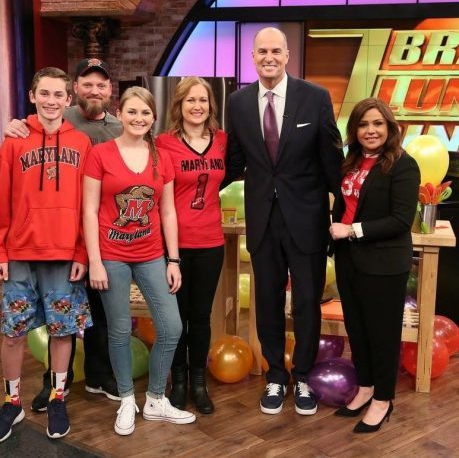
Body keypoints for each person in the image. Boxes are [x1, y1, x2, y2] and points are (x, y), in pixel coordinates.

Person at [222, 27, 343, 416]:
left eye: (276, 51)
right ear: (253, 57)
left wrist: (341, 215)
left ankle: (303, 376)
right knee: (267, 302)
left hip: (306, 220)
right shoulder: (238, 103)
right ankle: (276, 375)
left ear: (288, 55)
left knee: (307, 302)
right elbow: (233, 163)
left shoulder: (316, 98)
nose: (269, 57)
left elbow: (332, 164)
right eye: (262, 52)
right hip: (262, 221)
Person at [4, 58, 122, 411]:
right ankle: (56, 385)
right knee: (59, 320)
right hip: (48, 241)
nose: (94, 90)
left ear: (109, 91)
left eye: (101, 85)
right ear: (76, 89)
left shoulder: (119, 126)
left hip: (99, 237)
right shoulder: (49, 122)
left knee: (99, 314)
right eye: (87, 83)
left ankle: (100, 376)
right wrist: (14, 125)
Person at [0, 67, 93, 442]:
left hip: (64, 252)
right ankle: (12, 403)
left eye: (58, 95)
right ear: (33, 96)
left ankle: (58, 396)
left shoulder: (81, 144)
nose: (51, 101)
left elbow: (86, 206)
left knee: (63, 330)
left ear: (68, 99)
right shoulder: (13, 142)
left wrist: (82, 251)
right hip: (19, 253)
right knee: (13, 333)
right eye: (43, 93)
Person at [83, 86, 196, 436]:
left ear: (153, 117)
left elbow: (167, 211)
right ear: (121, 113)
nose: (138, 118)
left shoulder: (161, 157)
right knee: (118, 329)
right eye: (132, 111)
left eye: (145, 113)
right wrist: (95, 261)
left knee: (172, 326)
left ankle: (156, 398)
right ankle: (128, 400)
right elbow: (88, 209)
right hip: (111, 254)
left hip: (151, 254)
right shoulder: (100, 153)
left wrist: (173, 260)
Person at [330, 97, 420, 433]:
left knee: (382, 334)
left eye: (377, 124)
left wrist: (351, 230)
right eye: (364, 124)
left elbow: (400, 220)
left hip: (384, 263)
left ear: (390, 127)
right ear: (354, 129)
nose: (371, 130)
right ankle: (365, 386)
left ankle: (383, 398)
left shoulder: (403, 164)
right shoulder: (350, 162)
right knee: (358, 329)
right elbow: (344, 206)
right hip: (349, 260)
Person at [156, 77, 226, 414]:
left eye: (203, 100)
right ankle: (178, 380)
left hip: (211, 243)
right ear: (178, 105)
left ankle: (199, 382)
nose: (197, 106)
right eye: (190, 101)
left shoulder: (222, 141)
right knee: (176, 318)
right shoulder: (163, 144)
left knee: (200, 317)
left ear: (211, 106)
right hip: (174, 248)